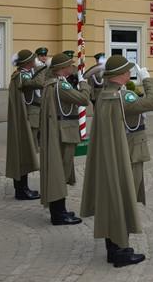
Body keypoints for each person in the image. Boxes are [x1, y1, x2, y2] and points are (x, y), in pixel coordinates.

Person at [80, 55, 146, 268]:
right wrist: (149, 81)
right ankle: (121, 251)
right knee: (122, 197)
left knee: (112, 197)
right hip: (122, 155)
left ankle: (113, 248)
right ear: (119, 75)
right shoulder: (120, 96)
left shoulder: (106, 95)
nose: (130, 73)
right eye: (127, 70)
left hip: (112, 155)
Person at [39, 52, 90, 225]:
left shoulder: (53, 83)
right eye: (69, 65)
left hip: (60, 131)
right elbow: (84, 99)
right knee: (60, 173)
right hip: (64, 133)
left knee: (59, 172)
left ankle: (59, 210)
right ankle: (59, 214)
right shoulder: (61, 85)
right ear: (61, 69)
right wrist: (83, 83)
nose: (72, 67)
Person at [6, 49, 41, 201]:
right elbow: (37, 83)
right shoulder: (22, 75)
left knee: (25, 153)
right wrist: (45, 69)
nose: (36, 62)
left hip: (29, 117)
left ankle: (23, 188)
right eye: (34, 60)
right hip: (29, 118)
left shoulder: (21, 75)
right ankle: (21, 190)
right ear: (28, 62)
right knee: (24, 153)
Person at [123, 66, 153, 205]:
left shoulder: (122, 92)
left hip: (130, 139)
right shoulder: (126, 94)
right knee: (133, 179)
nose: (129, 74)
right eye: (127, 72)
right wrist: (146, 80)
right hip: (133, 141)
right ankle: (127, 213)